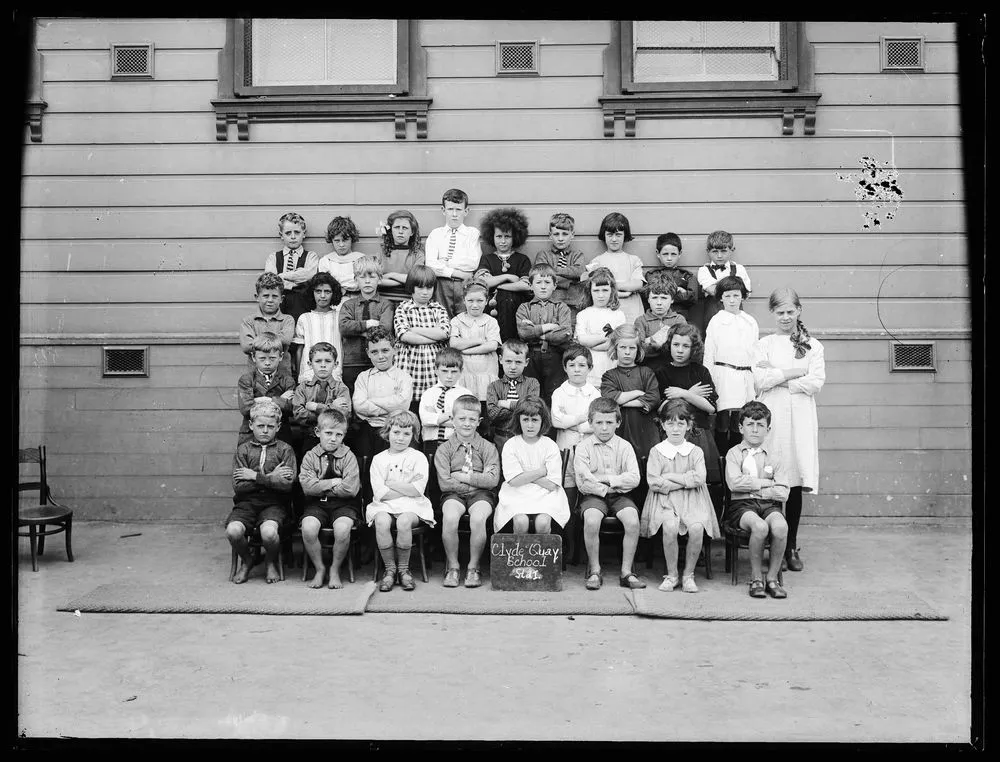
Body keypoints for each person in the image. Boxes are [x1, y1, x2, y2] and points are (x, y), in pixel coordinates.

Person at [752, 287, 825, 572]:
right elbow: (760, 379)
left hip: (801, 418)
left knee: (794, 480)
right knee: (772, 477)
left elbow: (815, 382)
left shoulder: (813, 346)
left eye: (790, 312)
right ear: (772, 313)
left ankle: (790, 546)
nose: (785, 317)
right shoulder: (764, 344)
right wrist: (796, 372)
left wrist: (778, 375)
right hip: (773, 415)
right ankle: (773, 545)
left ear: (799, 311)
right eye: (780, 312)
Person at [641, 400, 720, 593]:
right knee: (669, 526)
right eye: (670, 423)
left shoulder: (695, 451)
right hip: (664, 502)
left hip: (693, 500)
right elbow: (654, 482)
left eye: (681, 424)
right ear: (662, 425)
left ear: (689, 425)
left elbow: (700, 478)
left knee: (696, 527)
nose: (675, 429)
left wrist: (669, 477)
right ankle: (672, 575)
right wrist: (684, 479)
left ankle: (688, 575)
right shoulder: (657, 451)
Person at [574, 397, 645, 590]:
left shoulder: (625, 446)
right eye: (599, 423)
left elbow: (634, 478)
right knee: (591, 520)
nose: (604, 428)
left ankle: (626, 571)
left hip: (620, 496)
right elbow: (583, 482)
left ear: (618, 423)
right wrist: (610, 484)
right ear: (590, 423)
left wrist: (606, 480)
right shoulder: (583, 447)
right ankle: (595, 570)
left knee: (632, 520)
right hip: (593, 496)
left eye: (609, 422)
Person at [226, 398, 296, 584]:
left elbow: (287, 485)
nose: (265, 431)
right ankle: (247, 560)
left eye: (270, 426)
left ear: (278, 426)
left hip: (275, 504)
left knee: (269, 533)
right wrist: (272, 477)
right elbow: (239, 486)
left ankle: (270, 561)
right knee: (233, 531)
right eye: (260, 426)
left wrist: (254, 476)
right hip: (246, 503)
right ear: (251, 425)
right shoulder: (243, 450)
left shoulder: (285, 450)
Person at [725, 401, 790, 599]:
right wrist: (767, 483)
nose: (755, 430)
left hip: (769, 505)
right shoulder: (734, 454)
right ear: (740, 427)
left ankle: (771, 578)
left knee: (780, 527)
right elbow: (735, 484)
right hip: (741, 506)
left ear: (767, 429)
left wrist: (754, 488)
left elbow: (783, 493)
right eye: (750, 424)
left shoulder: (775, 457)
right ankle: (756, 578)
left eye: (760, 425)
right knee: (760, 527)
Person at [434, 394, 500, 588]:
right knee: (450, 517)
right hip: (453, 495)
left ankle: (473, 566)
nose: (467, 423)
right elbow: (445, 484)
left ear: (479, 422)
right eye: (461, 419)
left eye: (472, 419)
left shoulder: (488, 448)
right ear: (452, 420)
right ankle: (453, 566)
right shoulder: (444, 449)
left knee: (478, 518)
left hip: (481, 496)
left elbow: (493, 480)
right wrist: (480, 480)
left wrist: (465, 478)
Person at [366, 410, 436, 592]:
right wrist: (405, 486)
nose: (400, 438)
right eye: (396, 432)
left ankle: (404, 570)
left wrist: (392, 484)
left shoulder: (418, 458)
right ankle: (390, 569)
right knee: (381, 521)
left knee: (404, 521)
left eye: (406, 434)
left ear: (413, 435)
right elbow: (381, 493)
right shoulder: (379, 459)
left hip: (413, 506)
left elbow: (416, 490)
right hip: (384, 505)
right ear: (387, 432)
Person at [298, 409, 361, 589]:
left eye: (338, 434)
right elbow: (307, 487)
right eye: (328, 433)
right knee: (309, 528)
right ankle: (320, 568)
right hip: (316, 506)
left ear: (344, 435)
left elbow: (350, 490)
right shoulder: (310, 456)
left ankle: (334, 569)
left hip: (344, 506)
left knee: (342, 529)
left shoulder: (348, 457)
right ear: (318, 432)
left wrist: (320, 486)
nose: (333, 438)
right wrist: (333, 482)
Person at [493, 397, 571, 536]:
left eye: (535, 420)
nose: (530, 425)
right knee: (520, 522)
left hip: (546, 495)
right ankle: (520, 557)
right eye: (525, 420)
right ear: (518, 420)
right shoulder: (511, 445)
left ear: (542, 422)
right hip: (516, 494)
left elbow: (552, 484)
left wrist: (524, 474)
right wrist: (541, 471)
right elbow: (514, 481)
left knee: (542, 523)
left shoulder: (550, 445)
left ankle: (542, 557)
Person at [655, 323, 721, 484]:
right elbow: (662, 408)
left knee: (701, 480)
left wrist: (682, 393)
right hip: (673, 433)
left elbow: (710, 407)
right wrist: (693, 395)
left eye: (686, 346)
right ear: (669, 345)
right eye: (676, 345)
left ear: (693, 348)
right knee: (675, 480)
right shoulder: (661, 373)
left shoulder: (700, 371)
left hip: (699, 433)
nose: (680, 350)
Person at [704, 274, 759, 457]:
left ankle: (736, 458)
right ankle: (721, 459)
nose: (732, 300)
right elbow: (709, 352)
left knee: (740, 419)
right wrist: (710, 381)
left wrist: (755, 378)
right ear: (721, 298)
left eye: (736, 295)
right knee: (722, 419)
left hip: (744, 376)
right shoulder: (716, 321)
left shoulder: (750, 322)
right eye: (727, 296)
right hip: (723, 375)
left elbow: (754, 352)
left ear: (743, 296)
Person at [392, 264, 452, 409]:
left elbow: (444, 332)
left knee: (433, 403)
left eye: (429, 288)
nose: (425, 292)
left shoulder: (438, 308)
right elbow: (404, 335)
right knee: (409, 404)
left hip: (433, 364)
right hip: (410, 363)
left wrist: (415, 329)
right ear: (411, 288)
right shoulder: (403, 308)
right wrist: (434, 337)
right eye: (420, 287)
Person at [601, 324, 661, 462]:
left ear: (638, 349)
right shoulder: (609, 376)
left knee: (647, 464)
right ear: (615, 348)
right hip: (621, 427)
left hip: (645, 427)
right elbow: (610, 399)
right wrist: (637, 393)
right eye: (622, 347)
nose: (627, 352)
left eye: (632, 348)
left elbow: (653, 398)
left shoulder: (646, 372)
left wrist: (623, 402)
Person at [351, 326, 413, 458]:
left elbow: (402, 406)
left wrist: (371, 402)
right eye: (374, 352)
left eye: (385, 350)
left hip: (394, 430)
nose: (380, 356)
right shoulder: (363, 377)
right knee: (366, 466)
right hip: (368, 430)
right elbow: (359, 406)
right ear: (368, 353)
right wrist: (390, 406)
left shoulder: (403, 377)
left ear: (395, 349)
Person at [516, 262, 573, 404]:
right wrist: (548, 327)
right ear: (530, 285)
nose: (543, 286)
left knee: (554, 396)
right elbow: (523, 333)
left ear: (554, 285)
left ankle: (552, 426)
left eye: (547, 282)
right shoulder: (524, 308)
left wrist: (535, 331)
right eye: (538, 282)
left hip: (555, 356)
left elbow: (565, 333)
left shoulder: (561, 307)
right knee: (532, 396)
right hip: (531, 356)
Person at [473, 207, 532, 341]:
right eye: (499, 236)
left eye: (507, 236)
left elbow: (525, 285)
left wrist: (498, 285)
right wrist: (508, 277)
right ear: (492, 237)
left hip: (516, 309)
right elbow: (483, 283)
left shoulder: (522, 259)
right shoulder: (487, 259)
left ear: (515, 237)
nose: (503, 241)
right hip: (492, 309)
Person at [338, 255, 395, 394]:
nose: (367, 281)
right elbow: (344, 327)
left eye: (372, 276)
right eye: (362, 277)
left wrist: (357, 330)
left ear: (380, 279)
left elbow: (385, 329)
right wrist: (368, 324)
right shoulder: (348, 305)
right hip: (352, 362)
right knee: (353, 397)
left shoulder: (385, 304)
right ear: (355, 279)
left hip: (378, 362)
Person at [424, 188, 481, 317]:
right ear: (443, 210)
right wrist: (457, 273)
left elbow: (472, 263)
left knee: (465, 318)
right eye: (450, 209)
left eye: (458, 209)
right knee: (443, 316)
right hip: (441, 284)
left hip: (464, 284)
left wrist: (445, 262)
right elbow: (431, 264)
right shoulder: (436, 234)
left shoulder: (472, 233)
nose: (454, 214)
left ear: (466, 211)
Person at [582, 212, 646, 323]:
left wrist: (612, 286)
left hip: (631, 309)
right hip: (607, 311)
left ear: (625, 235)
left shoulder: (633, 260)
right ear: (604, 235)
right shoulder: (597, 262)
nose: (614, 239)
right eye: (610, 235)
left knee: (630, 336)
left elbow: (638, 283)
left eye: (618, 235)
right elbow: (590, 284)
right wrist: (621, 290)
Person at [450, 281, 501, 418]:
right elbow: (454, 343)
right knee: (466, 407)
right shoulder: (457, 321)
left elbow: (492, 345)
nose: (475, 305)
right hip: (465, 372)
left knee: (484, 412)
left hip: (486, 372)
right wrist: (478, 341)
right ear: (464, 300)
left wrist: (466, 350)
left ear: (486, 301)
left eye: (480, 300)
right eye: (470, 300)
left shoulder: (491, 321)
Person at [291, 341, 352, 454]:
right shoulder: (303, 388)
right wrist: (332, 408)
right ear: (310, 364)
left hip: (335, 440)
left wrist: (317, 407)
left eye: (328, 361)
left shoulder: (341, 389)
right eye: (318, 361)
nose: (323, 365)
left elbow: (344, 414)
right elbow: (298, 414)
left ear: (336, 364)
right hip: (309, 438)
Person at [236, 332, 295, 446]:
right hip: (250, 435)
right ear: (254, 357)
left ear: (281, 356)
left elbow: (291, 407)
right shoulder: (247, 380)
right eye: (262, 358)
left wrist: (258, 400)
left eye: (272, 358)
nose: (267, 363)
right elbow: (246, 408)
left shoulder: (287, 380)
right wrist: (276, 400)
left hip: (280, 436)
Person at [573, 267, 627, 387]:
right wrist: (605, 337)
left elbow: (616, 343)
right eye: (596, 290)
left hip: (611, 365)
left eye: (605, 290)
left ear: (612, 290)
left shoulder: (618, 315)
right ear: (589, 291)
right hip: (590, 366)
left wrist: (592, 343)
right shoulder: (583, 314)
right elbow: (582, 340)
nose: (601, 295)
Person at [486, 340, 541, 456]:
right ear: (500, 360)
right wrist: (520, 408)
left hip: (525, 437)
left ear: (526, 362)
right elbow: (492, 414)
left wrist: (506, 404)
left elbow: (531, 407)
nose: (513, 367)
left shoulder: (532, 383)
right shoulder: (494, 386)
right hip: (502, 437)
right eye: (508, 361)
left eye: (518, 362)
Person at [263, 211, 319, 324]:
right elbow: (271, 283)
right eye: (288, 233)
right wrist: (296, 282)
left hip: (303, 307)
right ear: (281, 235)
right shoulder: (273, 257)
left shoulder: (311, 256)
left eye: (297, 232)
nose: (293, 237)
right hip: (279, 308)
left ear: (304, 234)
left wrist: (282, 277)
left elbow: (308, 276)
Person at [418, 347, 474, 459]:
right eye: (444, 371)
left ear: (461, 371)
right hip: (431, 441)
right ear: (436, 370)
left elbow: (469, 420)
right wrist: (452, 415)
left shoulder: (466, 394)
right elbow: (425, 420)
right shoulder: (429, 393)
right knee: (433, 472)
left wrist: (436, 418)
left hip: (457, 442)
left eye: (454, 372)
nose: (449, 376)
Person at [694, 230, 752, 335]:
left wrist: (718, 285)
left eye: (724, 251)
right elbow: (713, 291)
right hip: (713, 319)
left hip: (736, 320)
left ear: (732, 250)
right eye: (715, 251)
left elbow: (745, 293)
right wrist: (735, 286)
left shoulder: (739, 269)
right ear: (708, 251)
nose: (719, 256)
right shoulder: (704, 271)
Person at [239, 272, 295, 376]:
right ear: (257, 297)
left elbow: (286, 339)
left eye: (274, 296)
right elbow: (247, 346)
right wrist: (276, 341)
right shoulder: (248, 321)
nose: (270, 300)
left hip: (282, 377)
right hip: (254, 377)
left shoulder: (287, 320)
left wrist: (257, 341)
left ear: (281, 299)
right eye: (265, 296)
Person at [292, 271, 343, 382]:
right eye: (318, 291)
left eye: (327, 291)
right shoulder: (304, 318)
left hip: (334, 372)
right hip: (309, 373)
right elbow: (299, 349)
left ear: (334, 294)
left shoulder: (340, 316)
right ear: (312, 293)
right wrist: (299, 375)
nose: (323, 296)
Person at [635, 270, 687, 375]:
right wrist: (659, 341)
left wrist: (650, 341)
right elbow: (639, 352)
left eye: (664, 298)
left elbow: (683, 348)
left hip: (674, 372)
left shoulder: (678, 319)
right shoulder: (641, 321)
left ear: (672, 299)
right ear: (648, 299)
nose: (659, 303)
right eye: (654, 298)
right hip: (648, 373)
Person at [533, 212, 586, 309]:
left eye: (565, 234)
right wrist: (572, 280)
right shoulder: (543, 255)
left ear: (572, 234)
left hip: (573, 304)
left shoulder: (577, 255)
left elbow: (579, 272)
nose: (560, 238)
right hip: (549, 303)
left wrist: (553, 270)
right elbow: (543, 278)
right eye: (556, 234)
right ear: (550, 235)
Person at [644, 232, 698, 322]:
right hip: (656, 319)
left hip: (680, 317)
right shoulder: (651, 275)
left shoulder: (687, 275)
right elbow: (647, 296)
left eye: (673, 254)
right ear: (658, 253)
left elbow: (692, 298)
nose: (669, 258)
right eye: (665, 254)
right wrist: (678, 291)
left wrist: (663, 293)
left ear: (680, 253)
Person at [377, 209, 426, 302]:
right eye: (396, 227)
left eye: (405, 228)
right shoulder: (382, 253)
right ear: (390, 230)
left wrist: (390, 275)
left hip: (408, 301)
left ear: (412, 232)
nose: (400, 231)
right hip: (383, 300)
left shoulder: (417, 254)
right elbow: (377, 280)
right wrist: (405, 280)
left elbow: (416, 280)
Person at [318, 216, 365, 298]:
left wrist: (336, 281)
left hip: (357, 300)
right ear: (331, 240)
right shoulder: (326, 261)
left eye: (345, 240)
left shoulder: (361, 259)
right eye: (337, 241)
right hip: (334, 302)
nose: (341, 245)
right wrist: (351, 278)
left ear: (352, 239)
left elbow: (359, 284)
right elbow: (325, 285)